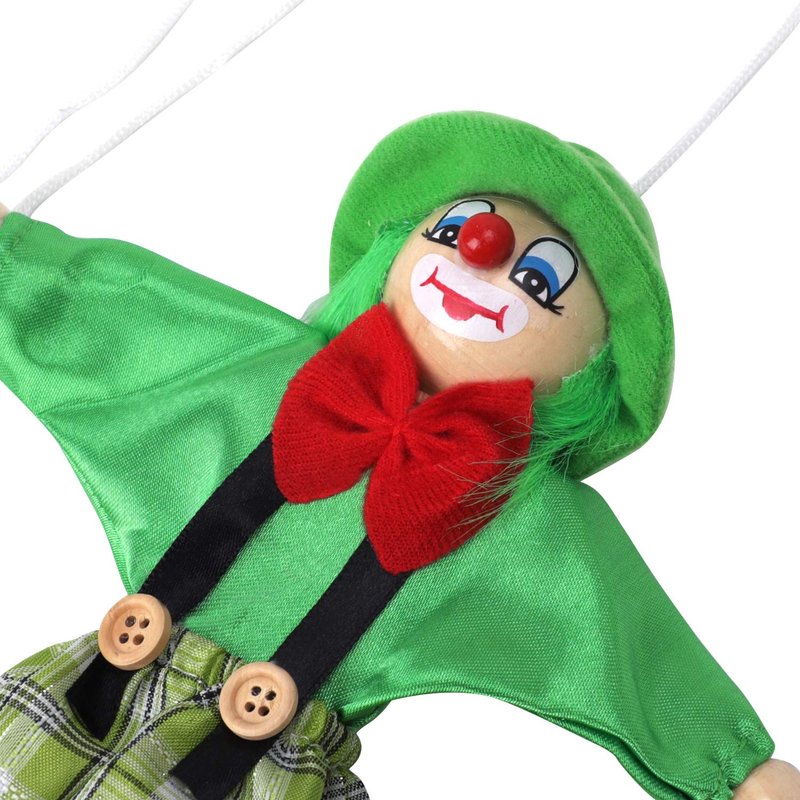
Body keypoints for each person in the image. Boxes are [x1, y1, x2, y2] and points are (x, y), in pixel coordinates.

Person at [0, 110, 797, 799]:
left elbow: (618, 632)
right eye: (455, 229)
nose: (481, 249)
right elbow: (128, 319)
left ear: (590, 366)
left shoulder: (520, 518)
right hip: (81, 701)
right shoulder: (261, 370)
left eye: (539, 277)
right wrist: (15, 263)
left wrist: (730, 766)